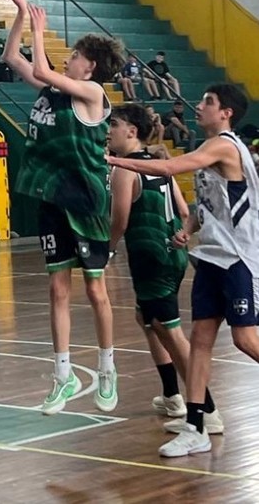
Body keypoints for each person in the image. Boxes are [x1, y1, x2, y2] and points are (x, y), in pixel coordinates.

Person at [107, 84, 254, 458]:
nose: (199, 106)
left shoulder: (225, 145)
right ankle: (196, 426)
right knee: (200, 341)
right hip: (212, 258)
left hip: (240, 259)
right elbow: (205, 206)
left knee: (245, 340)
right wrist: (187, 231)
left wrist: (113, 160)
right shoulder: (209, 151)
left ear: (226, 114)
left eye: (208, 102)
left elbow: (170, 167)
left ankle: (197, 421)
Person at [1, 0, 123, 415]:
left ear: (88, 67)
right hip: (51, 196)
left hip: (86, 199)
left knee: (95, 290)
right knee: (57, 288)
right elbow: (13, 57)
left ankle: (107, 369)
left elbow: (41, 67)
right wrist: (19, 14)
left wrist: (40, 29)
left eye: (73, 55)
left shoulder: (93, 95)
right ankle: (63, 375)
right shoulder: (54, 89)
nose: (67, 58)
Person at [107, 103, 222, 428]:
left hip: (150, 258)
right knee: (147, 317)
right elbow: (184, 211)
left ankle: (208, 411)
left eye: (114, 124)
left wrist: (105, 252)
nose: (108, 130)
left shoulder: (124, 169)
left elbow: (120, 220)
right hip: (171, 254)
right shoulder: (158, 164)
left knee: (171, 332)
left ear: (132, 131)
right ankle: (172, 396)